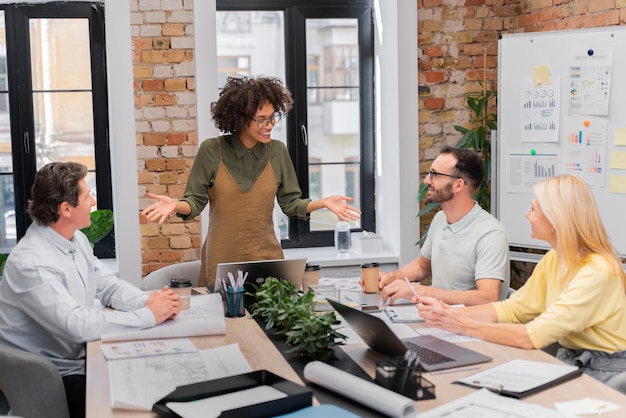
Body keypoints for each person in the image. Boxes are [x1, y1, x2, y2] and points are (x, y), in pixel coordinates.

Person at [0, 162, 181, 418]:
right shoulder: (31, 263)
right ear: (65, 209)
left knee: (159, 379)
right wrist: (149, 315)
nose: (94, 201)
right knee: (144, 405)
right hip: (53, 377)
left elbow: (106, 285)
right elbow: (77, 325)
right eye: (87, 196)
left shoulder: (76, 239)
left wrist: (151, 301)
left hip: (82, 357)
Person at [142, 76, 360, 287]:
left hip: (267, 259)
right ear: (240, 119)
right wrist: (174, 204)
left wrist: (323, 203)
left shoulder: (277, 152)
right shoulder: (212, 150)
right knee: (225, 322)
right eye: (261, 119)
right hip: (221, 259)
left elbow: (292, 204)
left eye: (273, 117)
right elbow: (194, 202)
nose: (270, 125)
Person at [417, 175, 626, 393]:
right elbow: (514, 308)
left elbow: (531, 336)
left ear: (556, 219)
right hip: (572, 363)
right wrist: (449, 313)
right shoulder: (555, 258)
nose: (527, 215)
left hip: (608, 376)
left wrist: (463, 326)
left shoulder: (597, 271)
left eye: (533, 209)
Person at [367, 145, 510, 306]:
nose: (427, 180)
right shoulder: (440, 219)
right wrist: (391, 277)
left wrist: (419, 291)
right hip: (439, 318)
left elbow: (488, 298)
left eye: (434, 175)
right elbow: (423, 266)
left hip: (469, 326)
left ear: (458, 185)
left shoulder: (490, 234)